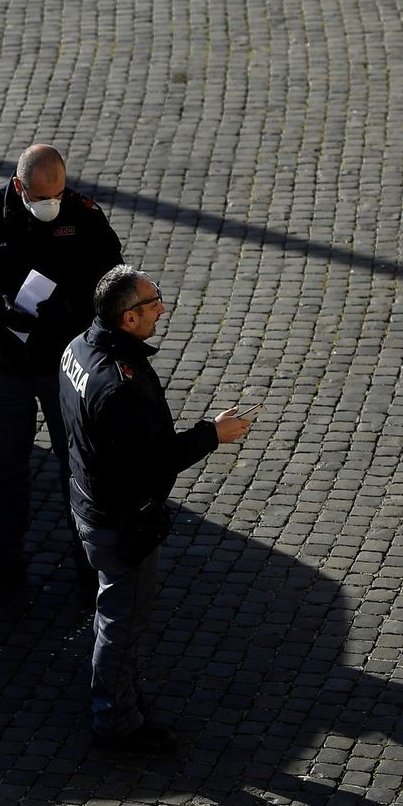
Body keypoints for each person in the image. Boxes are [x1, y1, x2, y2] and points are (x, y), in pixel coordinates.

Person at [58, 265, 251, 753]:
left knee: (113, 610)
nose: (161, 308)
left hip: (86, 498)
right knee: (123, 620)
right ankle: (116, 720)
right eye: (152, 302)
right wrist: (213, 434)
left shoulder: (77, 348)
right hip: (119, 519)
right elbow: (153, 460)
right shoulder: (118, 385)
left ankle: (117, 694)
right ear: (127, 318)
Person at [0, 144, 123, 593]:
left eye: (58, 193)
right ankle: (3, 561)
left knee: (77, 467)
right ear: (19, 187)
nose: (53, 204)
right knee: (5, 463)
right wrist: (0, 307)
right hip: (5, 358)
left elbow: (112, 276)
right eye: (43, 196)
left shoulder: (83, 215)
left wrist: (73, 308)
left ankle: (89, 567)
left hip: (65, 362)